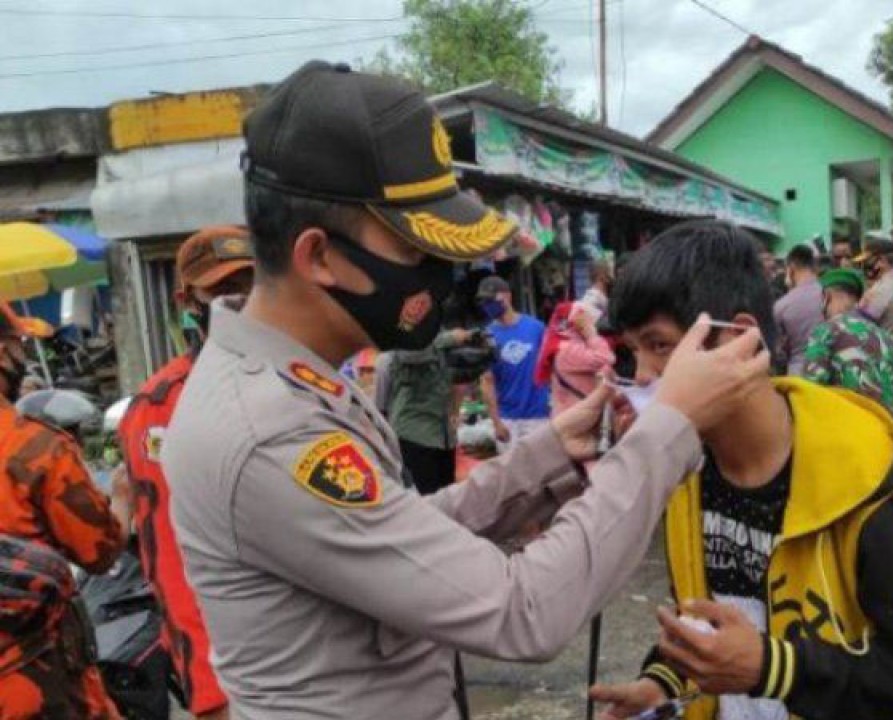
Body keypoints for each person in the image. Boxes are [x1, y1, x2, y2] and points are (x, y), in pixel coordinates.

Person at [160, 61, 768, 719]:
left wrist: (550, 455)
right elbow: (521, 611)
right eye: (413, 248)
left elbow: (414, 543)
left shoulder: (303, 384)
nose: (444, 275)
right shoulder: (269, 429)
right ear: (318, 257)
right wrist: (667, 426)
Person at [590, 220, 893, 720]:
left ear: (740, 339)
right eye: (631, 352)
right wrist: (661, 682)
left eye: (659, 346)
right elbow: (708, 624)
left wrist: (774, 668)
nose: (641, 375)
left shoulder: (867, 478)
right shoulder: (687, 472)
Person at [117, 226, 255, 720]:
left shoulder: (299, 377)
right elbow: (168, 559)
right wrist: (208, 691)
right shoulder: (163, 407)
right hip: (239, 665)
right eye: (220, 290)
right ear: (186, 300)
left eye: (249, 284)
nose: (238, 300)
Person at [0, 299, 128, 719]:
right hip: (37, 681)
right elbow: (101, 551)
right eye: (19, 344)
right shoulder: (35, 448)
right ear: (3, 353)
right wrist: (123, 501)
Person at [375, 329, 473, 495]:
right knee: (424, 502)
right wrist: (450, 339)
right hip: (414, 437)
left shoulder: (444, 340)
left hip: (444, 437)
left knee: (446, 498)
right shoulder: (400, 346)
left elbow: (458, 380)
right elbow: (410, 354)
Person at [802, 268, 893, 413]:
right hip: (886, 428)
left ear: (826, 296)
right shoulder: (885, 337)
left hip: (849, 426)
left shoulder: (825, 332)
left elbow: (811, 387)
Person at [476, 275, 551, 451]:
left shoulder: (536, 328)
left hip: (538, 416)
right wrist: (496, 422)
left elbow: (552, 367)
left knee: (541, 473)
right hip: (507, 418)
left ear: (507, 296)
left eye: (491, 299)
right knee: (512, 476)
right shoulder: (487, 336)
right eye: (484, 301)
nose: (488, 305)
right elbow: (487, 381)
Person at [550, 301, 615, 415]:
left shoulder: (569, 344)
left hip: (576, 416)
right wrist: (591, 333)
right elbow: (607, 358)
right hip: (573, 421)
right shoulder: (567, 349)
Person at [773, 244, 824, 375]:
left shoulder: (783, 305)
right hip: (829, 370)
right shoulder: (830, 296)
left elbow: (776, 349)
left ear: (791, 268)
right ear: (814, 267)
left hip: (798, 373)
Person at [858, 241, 893, 353]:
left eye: (867, 261)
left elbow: (861, 323)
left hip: (888, 352)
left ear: (881, 261)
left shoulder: (883, 289)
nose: (864, 265)